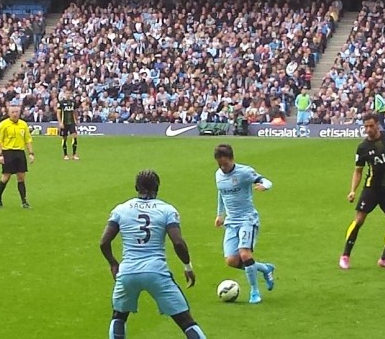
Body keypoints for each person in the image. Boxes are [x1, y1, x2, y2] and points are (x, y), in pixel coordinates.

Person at [99, 170, 207, 339]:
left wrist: (113, 263)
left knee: (119, 316)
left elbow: (104, 242)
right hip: (156, 272)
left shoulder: (121, 209)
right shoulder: (166, 210)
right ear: (157, 187)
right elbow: (178, 243)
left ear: (136, 187)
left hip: (128, 272)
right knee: (185, 321)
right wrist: (187, 267)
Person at [213, 144, 276, 304]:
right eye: (220, 164)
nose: (223, 167)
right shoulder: (218, 175)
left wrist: (265, 186)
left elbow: (265, 180)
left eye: (225, 164)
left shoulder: (244, 172)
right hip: (231, 221)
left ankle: (254, 292)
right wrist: (220, 214)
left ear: (232, 159)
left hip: (247, 219)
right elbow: (221, 193)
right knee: (232, 261)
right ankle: (265, 268)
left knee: (245, 254)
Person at [340, 114, 385, 270]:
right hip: (372, 188)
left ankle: (384, 258)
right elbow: (358, 171)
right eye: (366, 126)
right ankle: (345, 255)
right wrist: (352, 190)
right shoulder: (363, 147)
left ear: (378, 125)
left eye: (371, 126)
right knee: (359, 220)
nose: (368, 129)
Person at [0, 105, 35, 208]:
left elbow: (28, 140)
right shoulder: (4, 124)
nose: (15, 114)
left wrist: (31, 153)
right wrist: (0, 155)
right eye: (13, 112)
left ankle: (24, 201)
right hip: (8, 152)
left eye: (17, 112)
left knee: (21, 177)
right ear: (9, 113)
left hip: (20, 152)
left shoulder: (23, 124)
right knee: (6, 177)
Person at [57, 93, 80, 160]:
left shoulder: (73, 102)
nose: (68, 95)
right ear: (64, 94)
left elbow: (75, 111)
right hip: (64, 123)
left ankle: (74, 154)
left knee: (74, 136)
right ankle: (65, 154)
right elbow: (58, 113)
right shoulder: (61, 103)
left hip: (72, 123)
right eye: (67, 93)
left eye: (69, 93)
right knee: (64, 138)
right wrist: (60, 122)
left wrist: (76, 120)